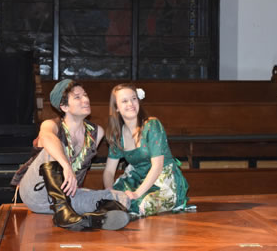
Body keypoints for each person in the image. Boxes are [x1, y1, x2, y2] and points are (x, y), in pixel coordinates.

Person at [11, 79, 130, 231]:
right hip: (35, 193)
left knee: (121, 199)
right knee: (53, 146)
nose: (85, 100)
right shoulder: (50, 125)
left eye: (85, 95)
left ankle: (90, 220)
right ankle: (63, 212)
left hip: (70, 197)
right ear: (64, 106)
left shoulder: (96, 132)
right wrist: (66, 166)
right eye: (78, 97)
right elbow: (47, 138)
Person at [103, 83, 190, 218]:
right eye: (124, 101)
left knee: (141, 204)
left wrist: (137, 194)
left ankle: (122, 218)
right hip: (137, 177)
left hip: (162, 179)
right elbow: (109, 171)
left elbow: (157, 166)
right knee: (109, 200)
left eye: (133, 99)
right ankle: (100, 219)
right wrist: (110, 190)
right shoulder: (117, 135)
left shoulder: (152, 125)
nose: (131, 103)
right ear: (116, 108)